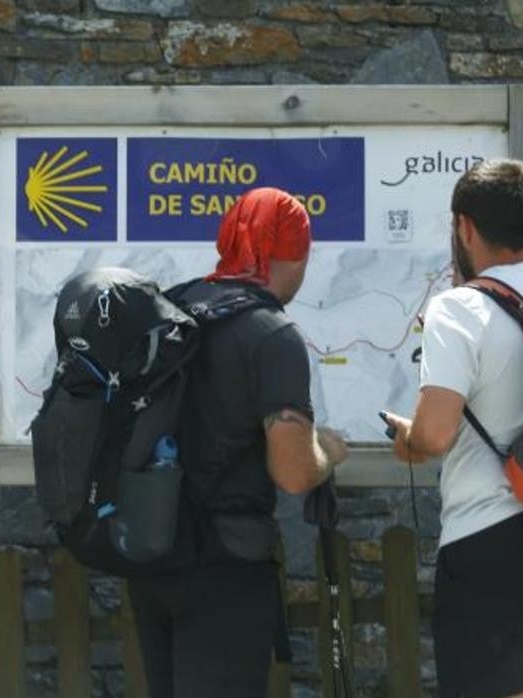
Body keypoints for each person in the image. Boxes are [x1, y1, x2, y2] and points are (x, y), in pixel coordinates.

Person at [383, 159, 523, 698]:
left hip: (490, 539)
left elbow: (434, 436)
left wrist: (407, 439)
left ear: (464, 226)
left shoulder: (459, 309)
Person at [128, 187, 348, 698]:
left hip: (153, 552)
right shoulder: (271, 335)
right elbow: (293, 472)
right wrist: (328, 453)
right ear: (292, 255)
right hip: (225, 568)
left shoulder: (173, 308)